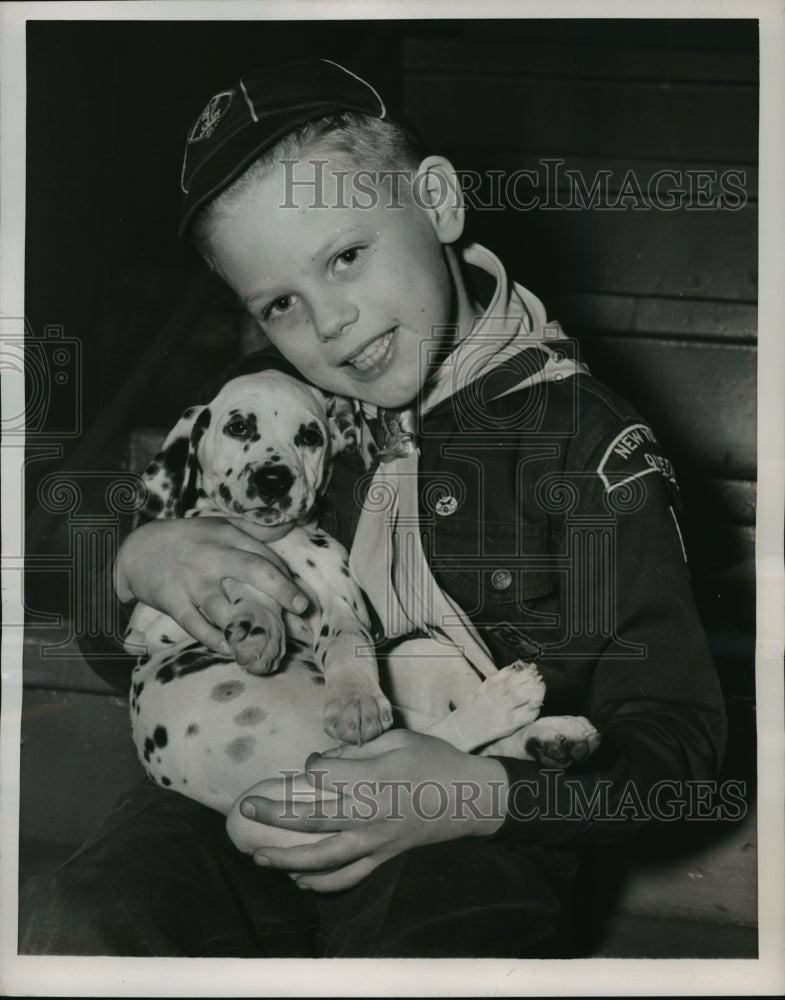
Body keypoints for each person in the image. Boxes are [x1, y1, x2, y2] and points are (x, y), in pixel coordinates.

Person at [19, 58, 727, 958]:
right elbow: (77, 577)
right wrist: (139, 558)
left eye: (346, 256)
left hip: (461, 829)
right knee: (67, 925)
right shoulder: (280, 418)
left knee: (435, 952)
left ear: (435, 202)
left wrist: (476, 796)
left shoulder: (584, 445)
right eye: (280, 303)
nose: (329, 326)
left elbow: (678, 746)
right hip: (243, 799)